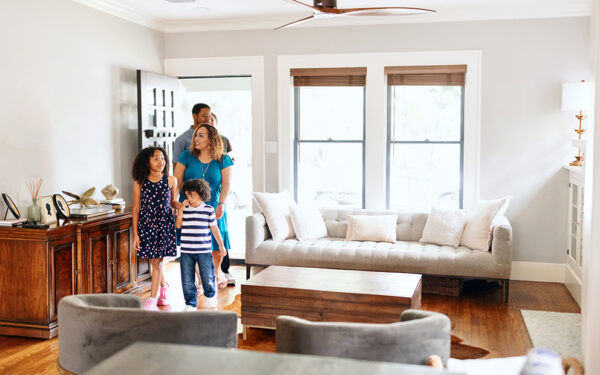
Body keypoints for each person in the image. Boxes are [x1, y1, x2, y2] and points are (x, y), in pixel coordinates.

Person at [174, 124, 233, 290]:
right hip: (189, 206)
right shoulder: (186, 156)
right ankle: (200, 280)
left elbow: (227, 184)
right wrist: (175, 203)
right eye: (196, 135)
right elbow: (177, 183)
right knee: (193, 244)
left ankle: (213, 273)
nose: (196, 139)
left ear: (211, 140)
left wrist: (222, 204)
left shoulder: (223, 159)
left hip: (213, 205)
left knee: (216, 242)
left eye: (201, 135)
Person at [132, 146, 178, 311]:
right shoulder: (139, 182)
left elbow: (173, 203)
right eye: (156, 158)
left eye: (162, 158)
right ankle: (164, 287)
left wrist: (181, 205)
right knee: (154, 260)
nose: (161, 162)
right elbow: (136, 209)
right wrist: (135, 234)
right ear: (147, 162)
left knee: (157, 261)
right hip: (146, 224)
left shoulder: (171, 180)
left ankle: (152, 299)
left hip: (163, 223)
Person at [176, 179, 226, 310]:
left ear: (201, 194)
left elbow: (215, 229)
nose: (189, 199)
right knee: (187, 278)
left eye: (192, 195)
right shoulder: (185, 210)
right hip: (186, 251)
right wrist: (180, 212)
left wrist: (221, 245)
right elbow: (178, 225)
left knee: (207, 274)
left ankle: (210, 297)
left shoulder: (209, 210)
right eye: (187, 196)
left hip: (203, 250)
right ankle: (190, 303)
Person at [209, 112, 236, 286]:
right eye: (207, 118)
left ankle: (222, 270)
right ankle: (207, 274)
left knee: (220, 231)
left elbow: (232, 158)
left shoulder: (224, 140)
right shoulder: (191, 142)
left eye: (212, 119)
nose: (209, 121)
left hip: (219, 190)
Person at [173, 103, 211, 171]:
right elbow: (176, 167)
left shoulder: (213, 138)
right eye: (204, 116)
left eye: (209, 116)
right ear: (194, 116)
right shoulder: (181, 140)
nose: (208, 120)